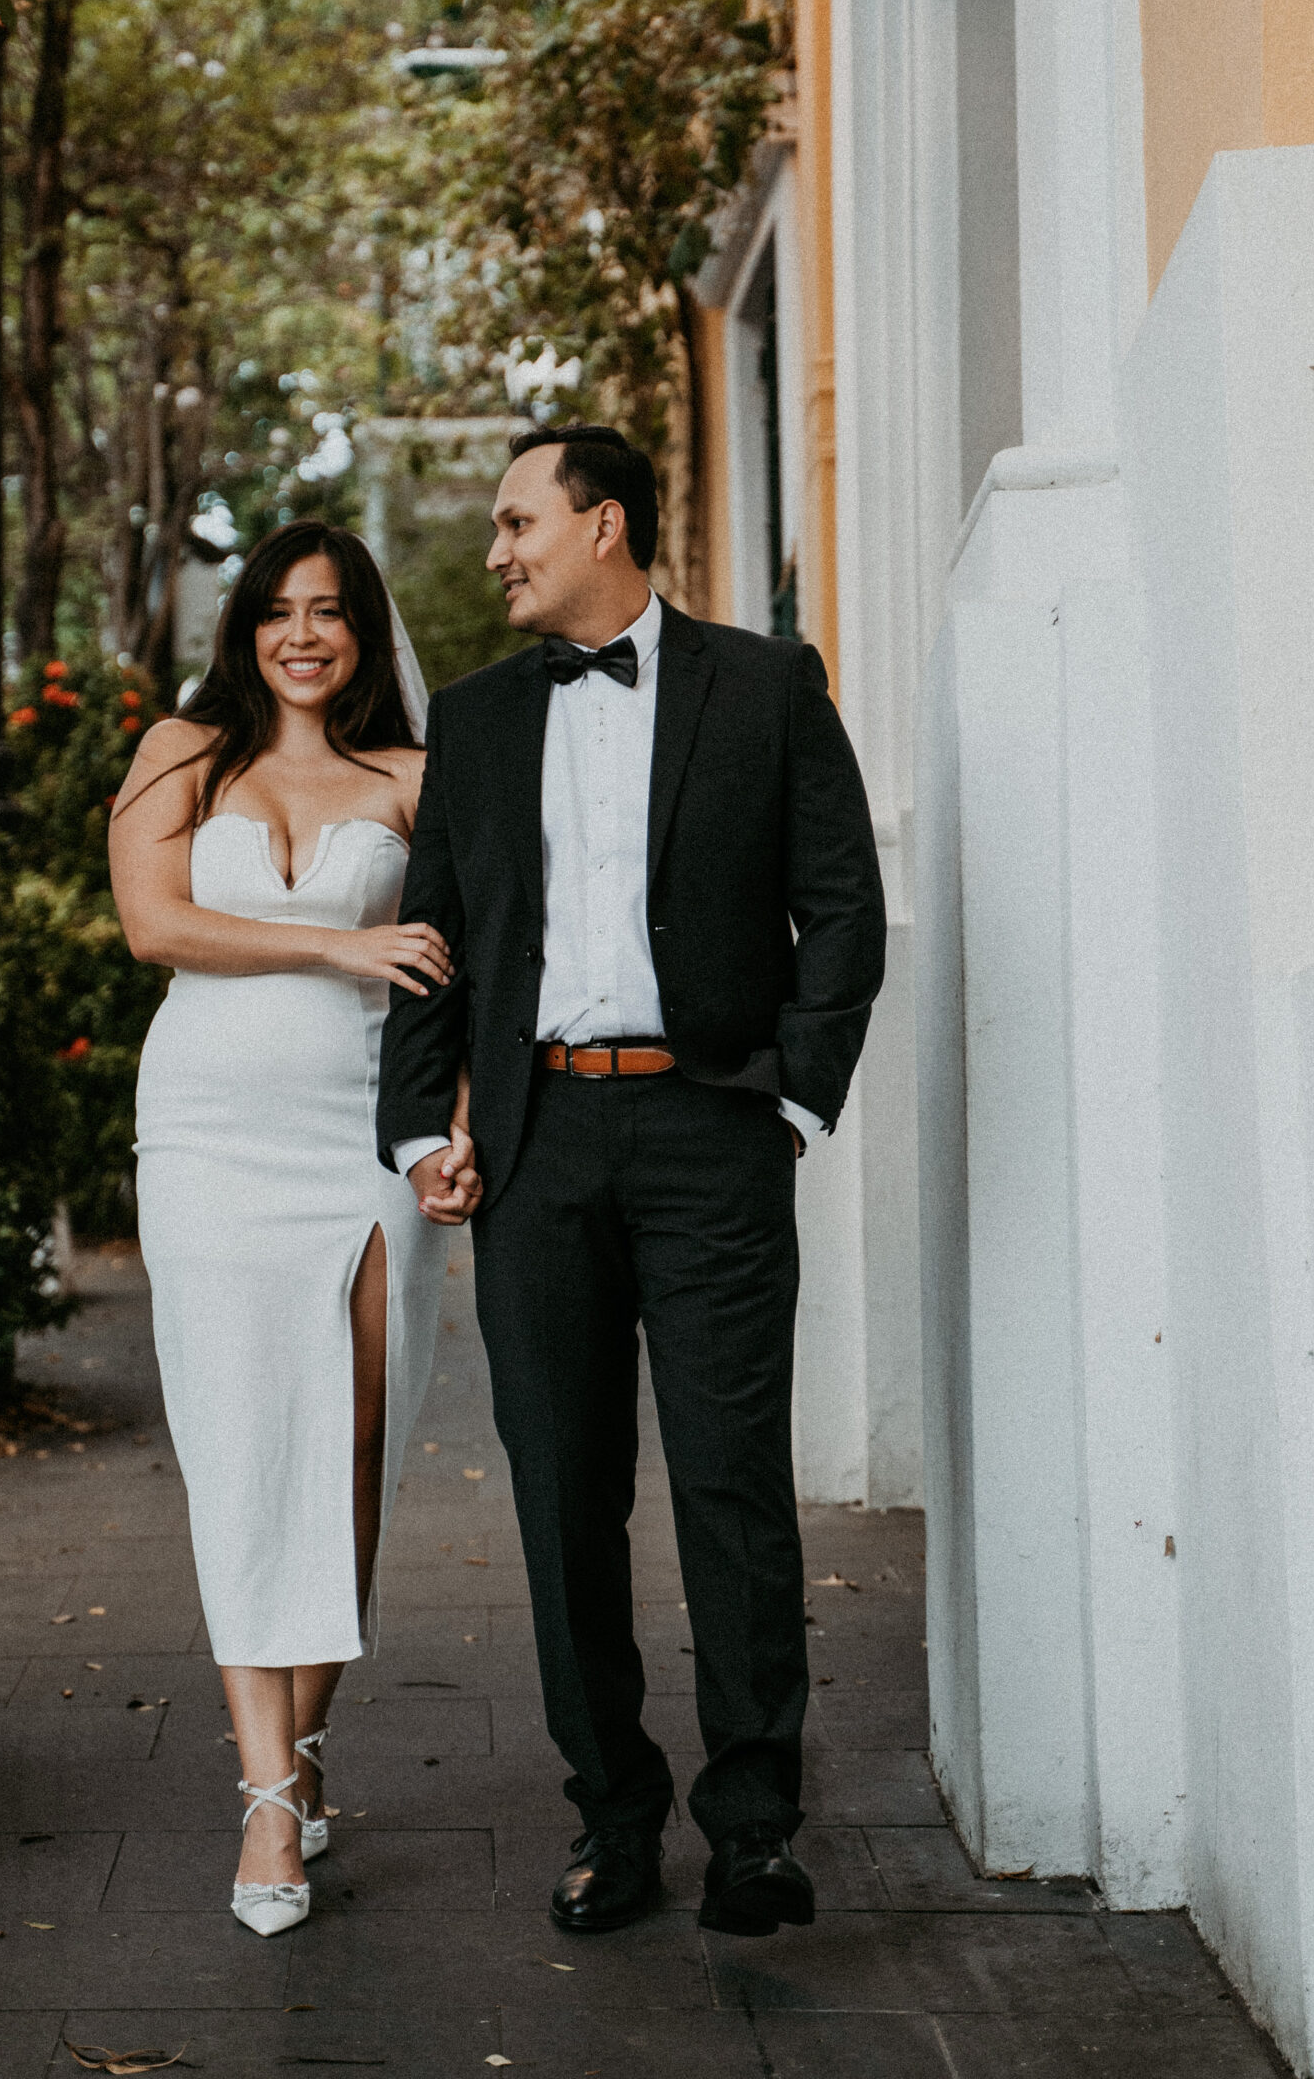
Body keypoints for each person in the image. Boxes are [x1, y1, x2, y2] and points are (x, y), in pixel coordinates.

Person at [376, 426, 886, 1939]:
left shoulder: (765, 684)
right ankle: (610, 1818)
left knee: (732, 1490)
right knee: (562, 1498)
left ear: (603, 524)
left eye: (516, 522)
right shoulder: (472, 721)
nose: (496, 553)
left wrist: (787, 1100)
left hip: (711, 1134)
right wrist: (421, 1133)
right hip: (538, 1153)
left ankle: (752, 1831)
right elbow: (433, 943)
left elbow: (842, 905)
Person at [110, 519, 477, 1940]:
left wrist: (453, 1133)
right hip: (208, 1135)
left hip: (366, 1136)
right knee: (239, 1442)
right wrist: (335, 943)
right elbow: (154, 924)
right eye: (278, 611)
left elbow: (455, 973)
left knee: (355, 1443)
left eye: (331, 612)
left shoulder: (417, 780)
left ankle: (304, 1741)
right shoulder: (178, 755)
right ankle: (270, 1793)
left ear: (368, 631)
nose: (304, 635)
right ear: (244, 628)